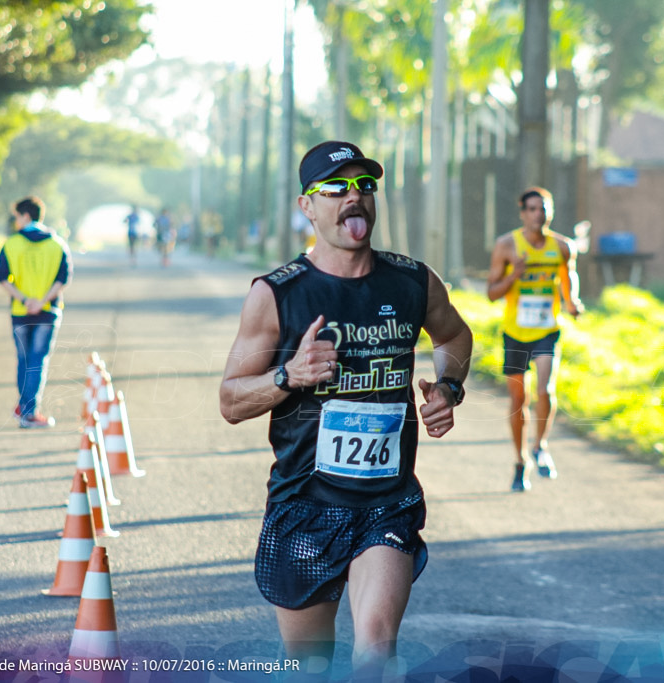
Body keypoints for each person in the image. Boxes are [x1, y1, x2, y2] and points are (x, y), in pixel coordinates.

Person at [220, 141, 473, 678]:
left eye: (364, 186)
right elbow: (231, 400)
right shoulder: (277, 294)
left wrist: (448, 388)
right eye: (335, 188)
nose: (353, 198)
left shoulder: (412, 281)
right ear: (307, 206)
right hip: (304, 503)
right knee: (307, 665)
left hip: (387, 501)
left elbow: (453, 334)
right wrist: (291, 374)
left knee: (376, 649)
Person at [486, 187, 582, 492]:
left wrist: (571, 302)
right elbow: (491, 293)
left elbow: (568, 278)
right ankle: (520, 460)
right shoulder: (506, 246)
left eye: (543, 209)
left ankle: (540, 446)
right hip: (515, 332)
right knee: (518, 400)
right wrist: (516, 274)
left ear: (550, 212)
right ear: (521, 212)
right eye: (531, 209)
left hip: (547, 330)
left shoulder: (562, 247)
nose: (537, 214)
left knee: (545, 388)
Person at [0, 196, 73, 429]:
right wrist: (41, 301)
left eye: (18, 217)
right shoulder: (57, 244)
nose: (16, 221)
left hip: (20, 311)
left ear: (26, 216)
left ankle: (25, 408)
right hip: (47, 312)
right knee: (37, 361)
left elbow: (2, 276)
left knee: (24, 359)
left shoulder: (11, 244)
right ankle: (29, 412)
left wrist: (24, 299)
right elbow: (63, 278)